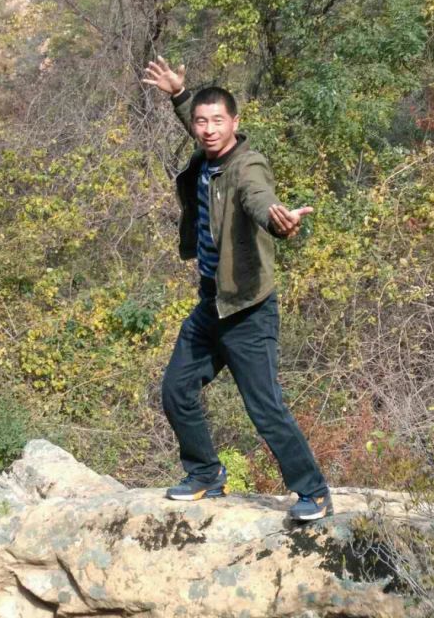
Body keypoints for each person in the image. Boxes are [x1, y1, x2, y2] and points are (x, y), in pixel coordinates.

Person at [143, 57, 332, 521]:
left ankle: (314, 492)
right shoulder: (207, 154)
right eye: (201, 121)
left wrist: (278, 221)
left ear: (235, 123)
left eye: (217, 121)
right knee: (176, 390)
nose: (208, 130)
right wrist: (178, 95)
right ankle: (206, 473)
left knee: (264, 407)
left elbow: (258, 198)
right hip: (212, 305)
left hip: (248, 309)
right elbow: (197, 124)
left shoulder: (248, 166)